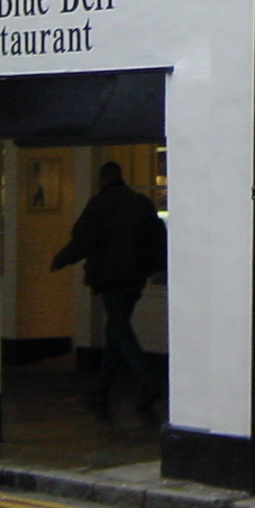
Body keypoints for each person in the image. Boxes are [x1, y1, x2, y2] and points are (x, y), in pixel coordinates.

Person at [52, 161, 167, 421]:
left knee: (118, 328)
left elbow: (83, 239)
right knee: (116, 329)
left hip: (111, 276)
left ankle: (147, 382)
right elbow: (157, 234)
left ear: (103, 179)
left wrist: (61, 259)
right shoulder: (140, 202)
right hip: (137, 276)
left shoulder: (99, 205)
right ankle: (101, 388)